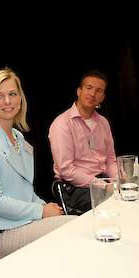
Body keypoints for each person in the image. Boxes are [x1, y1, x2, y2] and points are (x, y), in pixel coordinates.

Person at [0, 68, 75, 260]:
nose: (7, 101)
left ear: (20, 98)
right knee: (72, 227)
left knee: (70, 223)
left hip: (22, 222)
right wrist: (41, 211)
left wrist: (45, 207)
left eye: (12, 94)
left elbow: (24, 191)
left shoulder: (18, 136)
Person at [48, 70, 118, 214]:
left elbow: (111, 160)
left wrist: (118, 181)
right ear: (79, 91)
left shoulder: (103, 122)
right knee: (113, 205)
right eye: (89, 88)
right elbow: (66, 170)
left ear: (103, 97)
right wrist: (102, 185)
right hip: (74, 187)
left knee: (129, 193)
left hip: (103, 181)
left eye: (99, 91)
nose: (93, 94)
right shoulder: (62, 123)